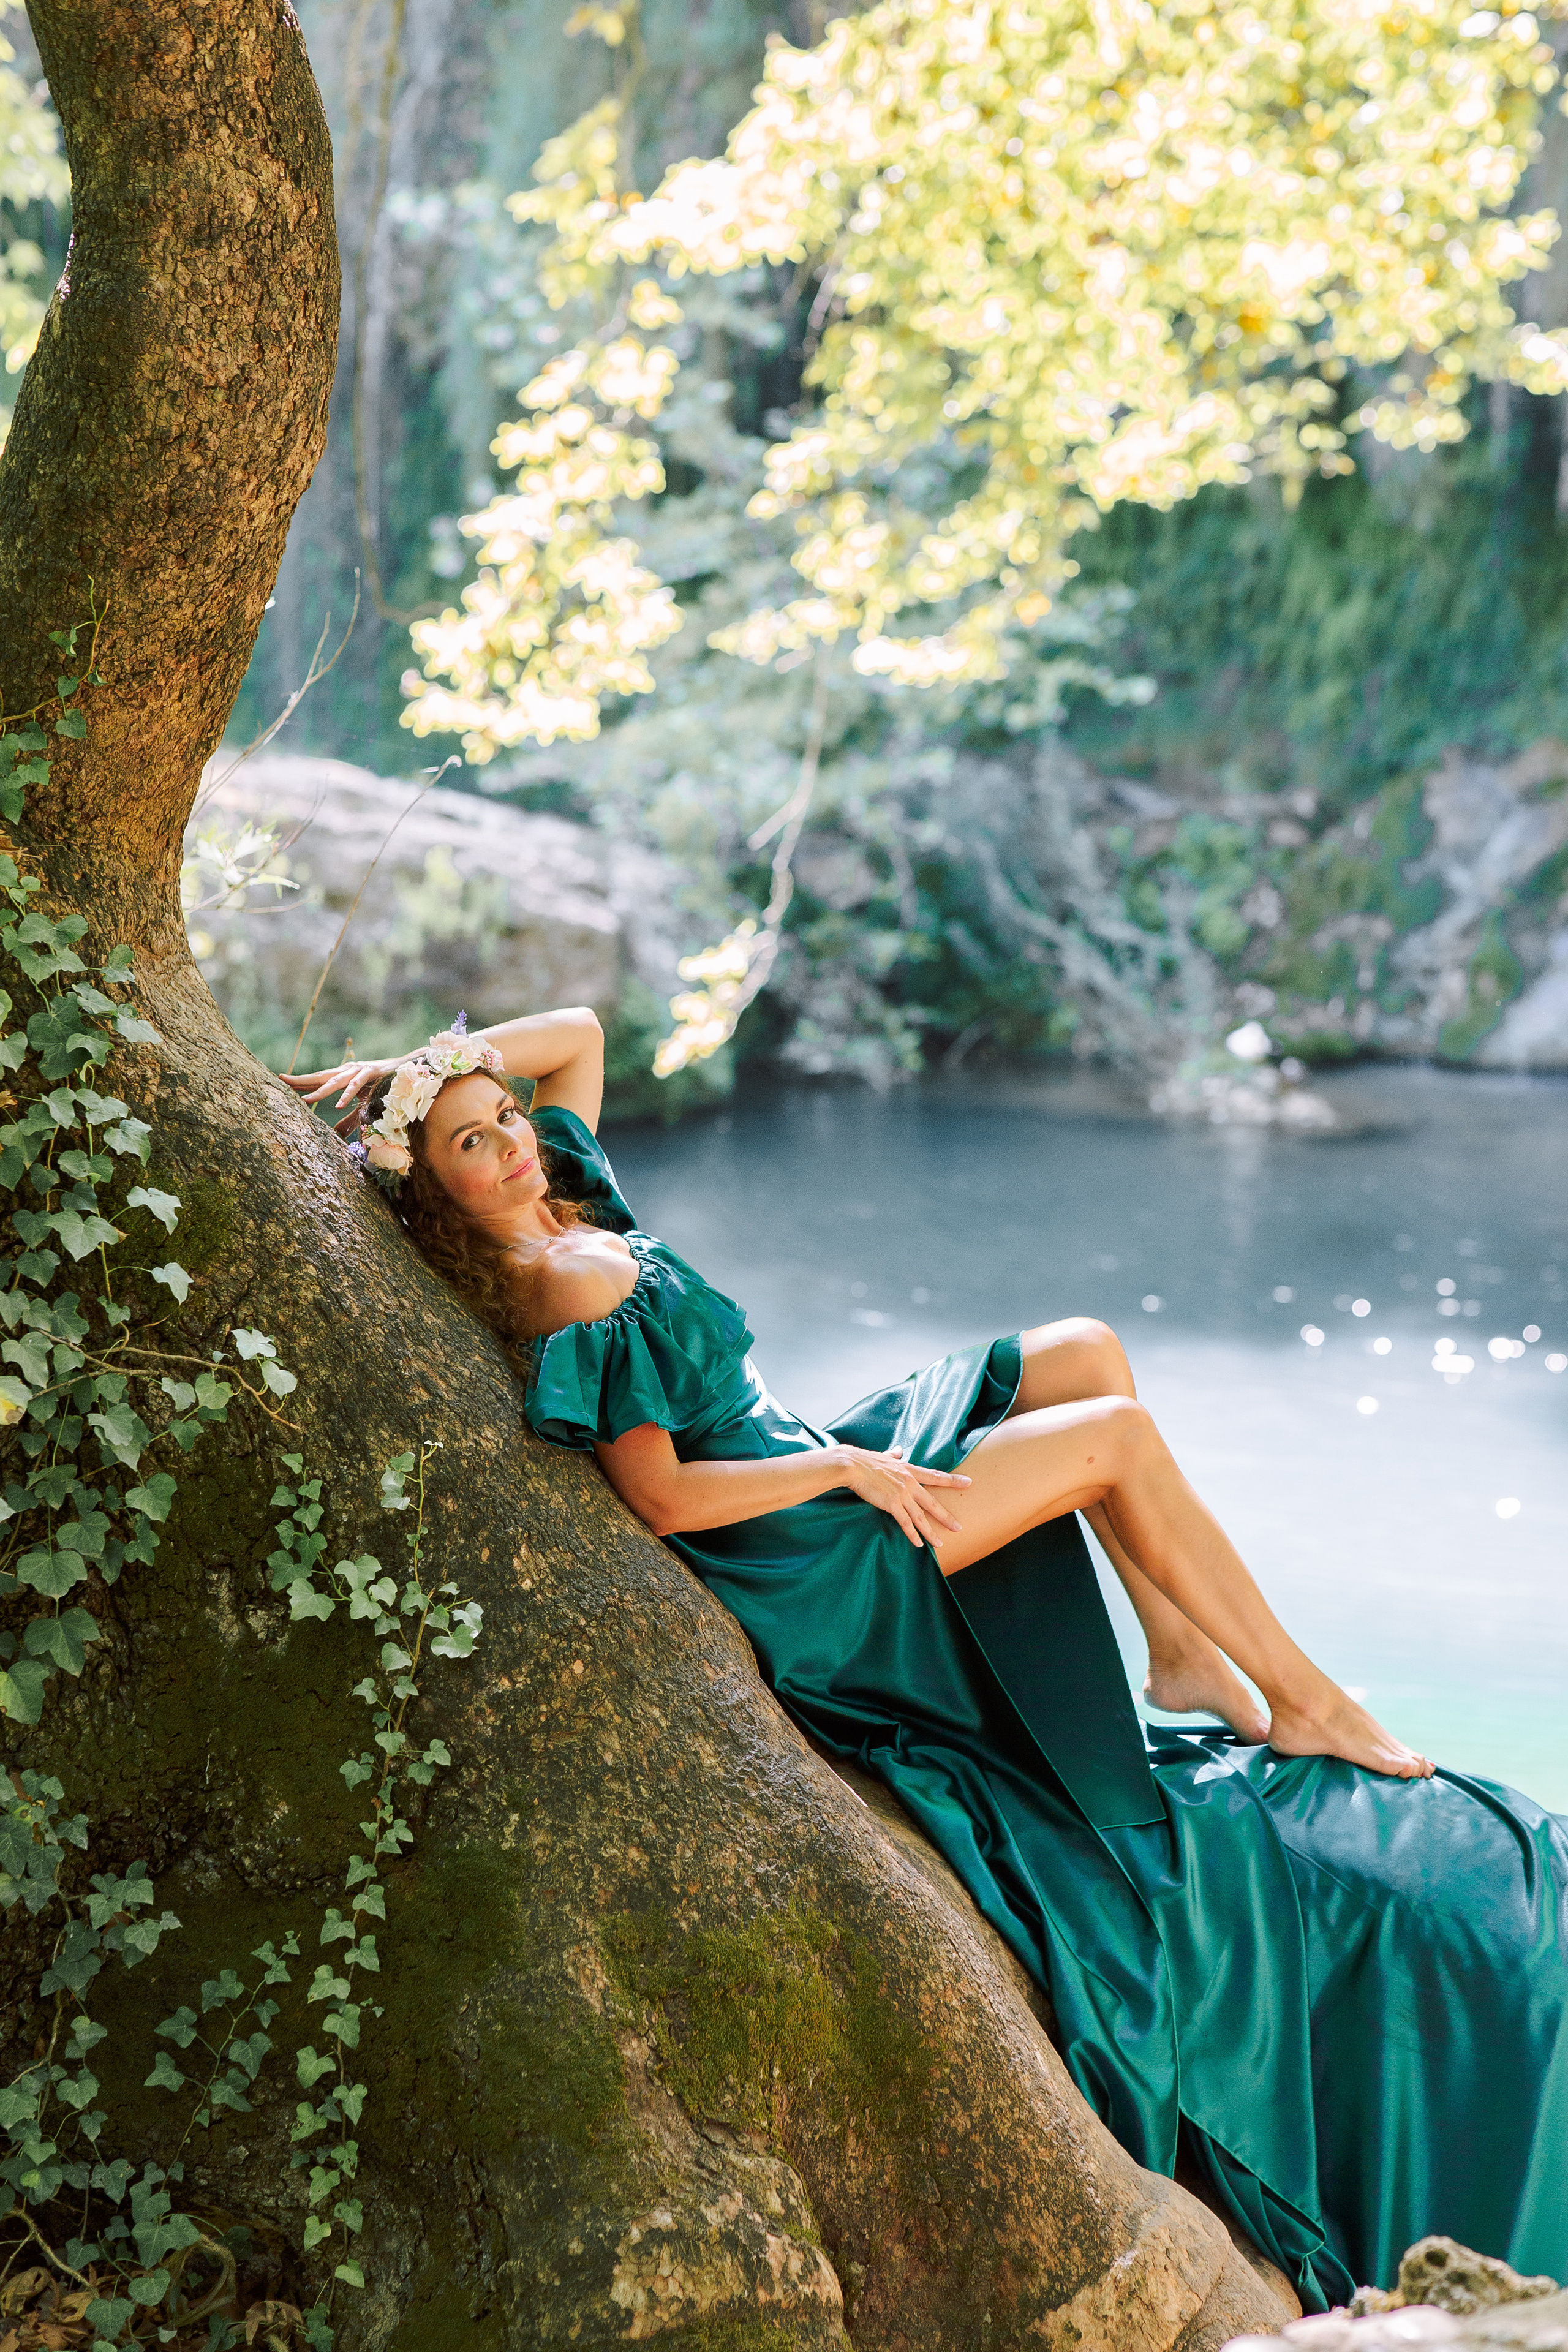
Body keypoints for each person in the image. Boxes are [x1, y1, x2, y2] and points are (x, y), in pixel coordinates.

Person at [287, 1008, 1568, 2313]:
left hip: (807, 1456)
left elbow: (579, 1033)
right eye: (471, 1143)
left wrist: (421, 1075)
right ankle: (1305, 1701)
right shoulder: (568, 1279)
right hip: (810, 1553)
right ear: (434, 1189)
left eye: (503, 1119)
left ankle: (1178, 1655)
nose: (510, 1141)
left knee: (1080, 1350)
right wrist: (847, 1468)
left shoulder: (560, 1197)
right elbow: (665, 1501)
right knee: (1112, 1434)